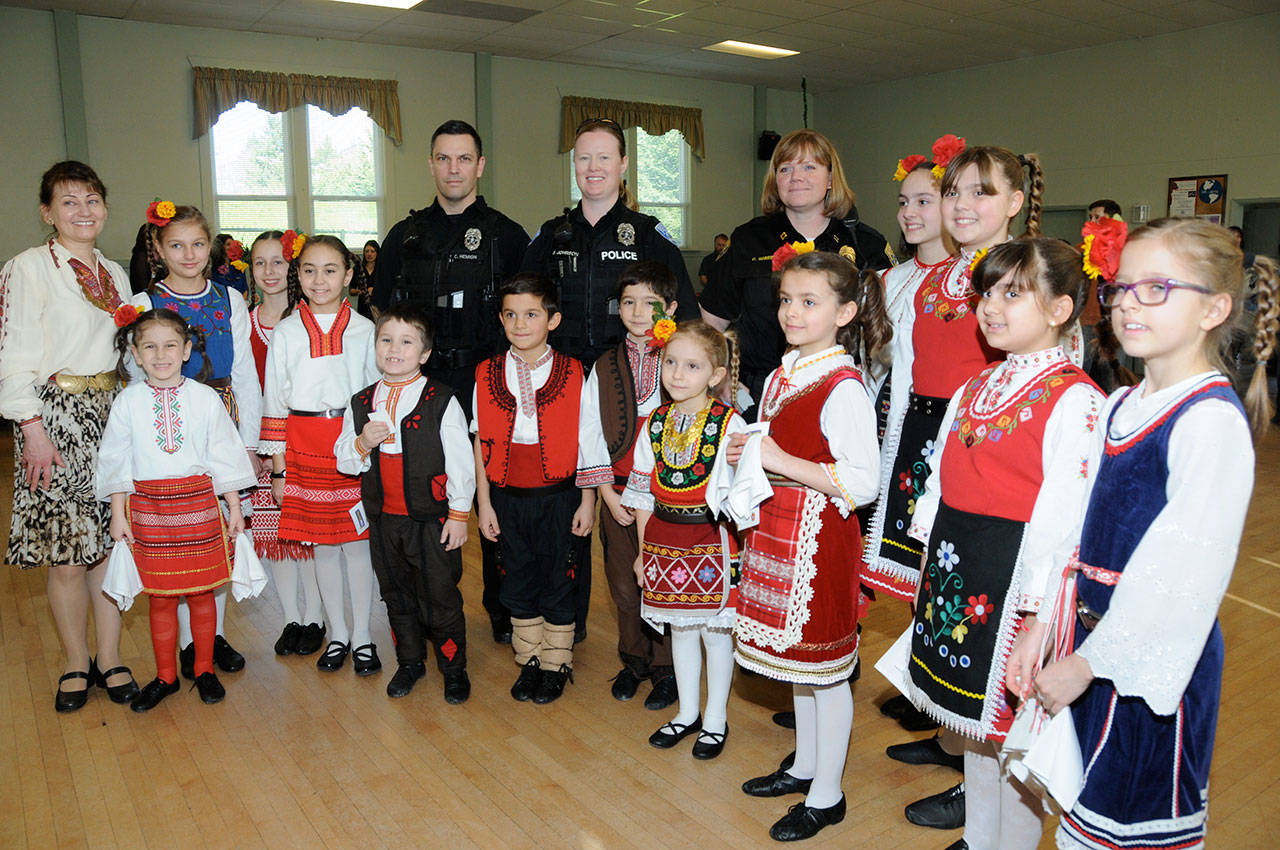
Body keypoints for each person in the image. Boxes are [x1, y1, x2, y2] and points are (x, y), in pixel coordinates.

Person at [1031, 218, 1277, 850]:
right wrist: (1043, 624)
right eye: (1121, 288)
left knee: (1128, 833)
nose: (1129, 303)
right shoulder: (1120, 406)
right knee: (1081, 823)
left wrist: (1088, 662)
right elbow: (1075, 531)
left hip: (1148, 664)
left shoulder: (1209, 423)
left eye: (1158, 288)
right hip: (1091, 645)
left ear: (1215, 309)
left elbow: (1180, 574)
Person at [903, 239, 1103, 850]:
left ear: (1060, 308)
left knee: (1014, 749)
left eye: (1012, 292)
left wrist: (1039, 619)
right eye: (986, 291)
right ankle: (981, 838)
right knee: (974, 733)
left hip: (1018, 594)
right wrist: (925, 576)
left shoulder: (1077, 399)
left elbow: (1065, 519)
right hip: (959, 574)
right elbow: (939, 484)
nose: (989, 305)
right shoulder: (976, 386)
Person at [523, 116, 699, 644]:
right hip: (563, 392)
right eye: (583, 157)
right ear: (573, 165)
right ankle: (564, 625)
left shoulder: (649, 237)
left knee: (644, 517)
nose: (593, 167)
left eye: (604, 157)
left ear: (623, 165)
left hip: (637, 389)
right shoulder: (551, 236)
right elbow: (525, 310)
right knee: (569, 519)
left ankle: (661, 644)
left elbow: (683, 317)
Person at [731, 250, 887, 842]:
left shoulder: (844, 385)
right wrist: (747, 452)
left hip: (822, 539)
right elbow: (773, 448)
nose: (792, 313)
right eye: (787, 300)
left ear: (845, 312)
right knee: (799, 667)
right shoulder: (782, 373)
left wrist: (776, 459)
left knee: (824, 668)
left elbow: (862, 480)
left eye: (809, 302)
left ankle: (829, 794)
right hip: (779, 528)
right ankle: (803, 765)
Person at [374, 119, 529, 646]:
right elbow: (383, 311)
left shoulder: (508, 235)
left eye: (464, 158)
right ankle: (426, 609)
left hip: (485, 381)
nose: (454, 168)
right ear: (431, 164)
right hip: (421, 386)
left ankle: (503, 609)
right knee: (422, 495)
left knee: (491, 494)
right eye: (444, 158)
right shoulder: (406, 235)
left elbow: (526, 312)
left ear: (480, 166)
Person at [0, 160, 139, 711]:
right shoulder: (28, 268)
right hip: (52, 418)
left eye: (92, 200)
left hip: (111, 413)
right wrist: (29, 426)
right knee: (66, 554)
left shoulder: (115, 273)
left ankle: (110, 656)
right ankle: (76, 661)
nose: (84, 211)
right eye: (69, 202)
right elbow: (12, 353)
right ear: (47, 212)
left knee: (111, 541)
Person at [96, 309, 257, 711]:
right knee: (161, 598)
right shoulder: (128, 401)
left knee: (203, 594)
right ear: (135, 353)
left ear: (186, 350)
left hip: (200, 506)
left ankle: (204, 669)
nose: (160, 354)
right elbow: (117, 460)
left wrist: (234, 507)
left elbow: (223, 455)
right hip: (148, 510)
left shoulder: (205, 398)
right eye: (149, 346)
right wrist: (119, 514)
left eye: (170, 345)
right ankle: (165, 676)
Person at [132, 202, 260, 681]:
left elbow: (245, 373)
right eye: (177, 245)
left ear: (213, 248)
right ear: (160, 250)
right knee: (179, 535)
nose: (189, 254)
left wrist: (249, 443)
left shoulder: (231, 299)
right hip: (171, 433)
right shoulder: (145, 303)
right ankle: (186, 644)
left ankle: (212, 636)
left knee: (220, 533)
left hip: (222, 420)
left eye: (198, 244)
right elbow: (134, 379)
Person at [472, 273, 603, 705]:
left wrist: (588, 499)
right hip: (507, 497)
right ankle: (528, 657)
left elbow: (588, 438)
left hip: (561, 496)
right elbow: (480, 441)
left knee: (560, 578)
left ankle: (556, 661)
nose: (520, 323)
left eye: (531, 314)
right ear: (501, 319)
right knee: (515, 579)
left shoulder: (574, 372)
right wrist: (485, 504)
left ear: (554, 320)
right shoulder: (486, 372)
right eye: (511, 314)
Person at [335, 303, 476, 703]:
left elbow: (460, 462)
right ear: (375, 346)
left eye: (406, 341)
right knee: (396, 596)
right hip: (383, 521)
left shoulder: (441, 399)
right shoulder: (361, 402)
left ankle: (454, 668)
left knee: (440, 596)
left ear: (425, 353)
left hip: (431, 522)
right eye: (386, 340)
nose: (394, 349)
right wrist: (363, 442)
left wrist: (458, 514)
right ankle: (410, 663)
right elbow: (345, 458)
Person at [699, 128, 892, 420]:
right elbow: (712, 319)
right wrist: (722, 376)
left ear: (830, 178)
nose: (796, 177)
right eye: (785, 168)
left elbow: (886, 327)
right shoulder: (748, 239)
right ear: (775, 180)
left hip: (839, 394)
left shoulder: (864, 244)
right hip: (758, 395)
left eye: (809, 167)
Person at [623, 320, 745, 760]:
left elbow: (742, 491)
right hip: (663, 537)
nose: (677, 374)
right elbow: (639, 492)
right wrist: (642, 554)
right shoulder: (655, 422)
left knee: (715, 633)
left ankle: (715, 719)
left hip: (712, 537)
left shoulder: (731, 423)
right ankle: (687, 712)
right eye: (670, 362)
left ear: (714, 375)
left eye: (691, 366)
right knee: (680, 630)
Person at [260, 234, 380, 676]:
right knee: (323, 547)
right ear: (299, 276)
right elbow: (274, 399)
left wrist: (370, 450)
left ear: (349, 275)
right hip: (303, 443)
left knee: (356, 543)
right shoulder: (287, 331)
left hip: (352, 443)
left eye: (331, 270)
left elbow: (375, 396)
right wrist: (278, 470)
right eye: (309, 270)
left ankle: (364, 635)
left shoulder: (366, 330)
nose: (319, 279)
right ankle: (338, 634)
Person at [578, 261, 679, 709]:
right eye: (628, 303)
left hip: (668, 496)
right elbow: (590, 433)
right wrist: (605, 494)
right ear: (617, 309)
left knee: (664, 579)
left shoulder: (682, 360)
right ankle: (634, 659)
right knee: (623, 582)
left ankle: (667, 667)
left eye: (650, 304)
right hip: (617, 493)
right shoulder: (602, 365)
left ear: (670, 308)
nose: (638, 312)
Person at [245, 231, 324, 657]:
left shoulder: (309, 319)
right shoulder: (244, 319)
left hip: (305, 440)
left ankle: (315, 616)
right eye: (260, 262)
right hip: (264, 443)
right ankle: (292, 616)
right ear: (250, 269)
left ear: (291, 267)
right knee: (276, 537)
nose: (270, 271)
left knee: (307, 536)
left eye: (278, 262)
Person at [349, 239, 378, 319]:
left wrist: (375, 290)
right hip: (363, 307)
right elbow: (351, 290)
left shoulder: (381, 269)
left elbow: (387, 287)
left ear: (377, 253)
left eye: (372, 251)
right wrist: (359, 291)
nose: (369, 254)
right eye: (367, 251)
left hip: (378, 306)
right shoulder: (358, 268)